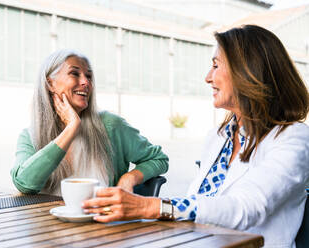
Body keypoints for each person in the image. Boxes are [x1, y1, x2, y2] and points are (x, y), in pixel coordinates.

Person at [83, 25, 309, 248]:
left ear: (247, 71)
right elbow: (198, 205)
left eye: (215, 65)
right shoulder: (219, 137)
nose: (207, 77)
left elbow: (246, 207)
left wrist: (151, 206)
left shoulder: (294, 139)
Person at [11, 49, 168, 196]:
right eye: (74, 73)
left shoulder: (110, 125)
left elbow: (159, 159)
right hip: (48, 224)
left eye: (89, 76)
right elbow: (25, 184)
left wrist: (130, 177)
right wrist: (71, 128)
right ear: (50, 84)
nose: (86, 82)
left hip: (101, 223)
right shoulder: (30, 136)